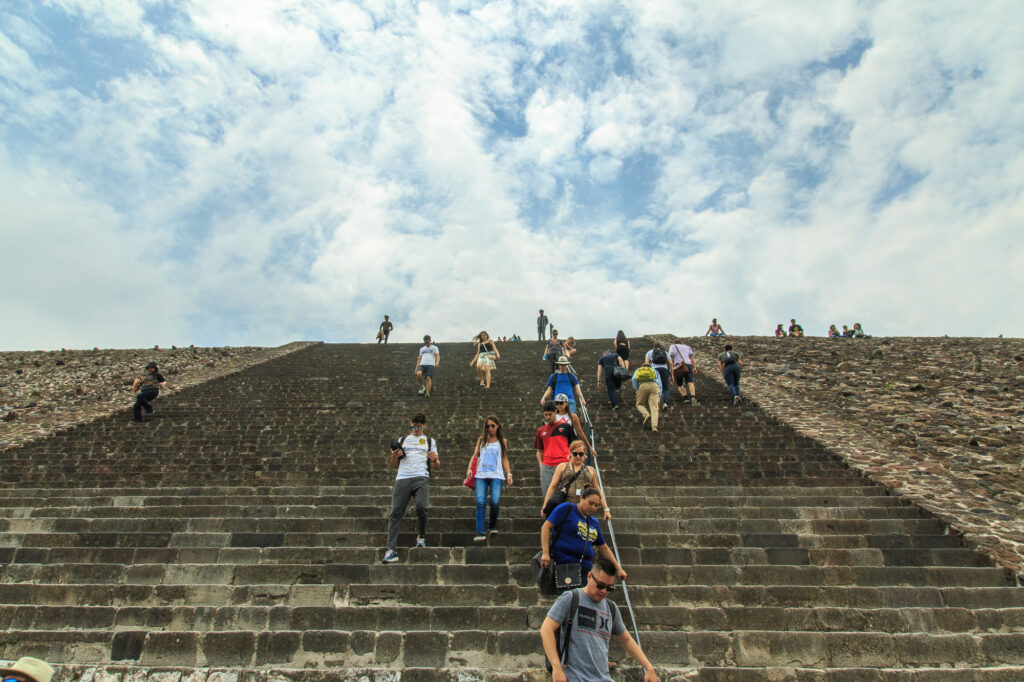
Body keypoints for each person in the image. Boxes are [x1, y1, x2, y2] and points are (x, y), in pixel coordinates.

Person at [540, 557, 658, 682]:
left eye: (609, 588)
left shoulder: (611, 608)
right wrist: (556, 667)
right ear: (589, 576)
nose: (603, 591)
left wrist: (649, 667)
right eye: (600, 585)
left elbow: (626, 639)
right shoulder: (570, 598)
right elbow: (546, 629)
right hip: (574, 677)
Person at [382, 413, 440, 563]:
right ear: (411, 424)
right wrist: (395, 455)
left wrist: (435, 459)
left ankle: (421, 536)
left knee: (422, 507)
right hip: (403, 478)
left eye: (419, 426)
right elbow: (394, 464)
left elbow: (437, 465)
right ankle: (390, 549)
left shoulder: (429, 441)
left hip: (421, 477)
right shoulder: (402, 440)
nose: (416, 429)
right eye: (414, 426)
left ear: (424, 426)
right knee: (395, 512)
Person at [539, 488, 627, 585]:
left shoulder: (593, 522)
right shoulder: (567, 508)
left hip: (586, 568)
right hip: (566, 565)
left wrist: (618, 569)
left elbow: (603, 547)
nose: (593, 507)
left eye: (596, 505)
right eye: (590, 503)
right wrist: (545, 553)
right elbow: (546, 527)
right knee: (571, 598)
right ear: (581, 498)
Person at [466, 415, 513, 541]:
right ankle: (480, 532)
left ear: (498, 426)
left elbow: (504, 458)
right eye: (488, 426)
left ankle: (492, 526)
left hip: (496, 475)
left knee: (495, 502)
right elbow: (475, 455)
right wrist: (470, 468)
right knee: (480, 502)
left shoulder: (503, 441)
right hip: (481, 475)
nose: (490, 428)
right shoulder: (482, 440)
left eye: (492, 425)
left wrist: (509, 474)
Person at [541, 441, 611, 521]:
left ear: (584, 454)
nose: (578, 456)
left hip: (584, 509)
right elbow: (553, 486)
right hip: (566, 507)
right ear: (570, 453)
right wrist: (545, 505)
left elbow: (598, 490)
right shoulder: (562, 467)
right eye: (575, 454)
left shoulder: (591, 470)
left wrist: (606, 509)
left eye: (581, 454)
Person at [535, 402, 577, 494]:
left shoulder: (566, 427)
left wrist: (572, 463)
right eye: (546, 415)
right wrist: (541, 465)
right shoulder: (540, 431)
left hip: (564, 464)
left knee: (569, 494)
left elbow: (575, 446)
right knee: (547, 495)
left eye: (550, 414)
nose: (548, 417)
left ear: (555, 412)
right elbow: (539, 451)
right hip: (547, 466)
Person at [552, 394, 596, 459]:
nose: (559, 405)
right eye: (557, 403)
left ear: (566, 403)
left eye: (561, 403)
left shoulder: (573, 416)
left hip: (570, 444)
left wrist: (590, 447)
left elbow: (580, 432)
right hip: (558, 445)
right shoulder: (554, 417)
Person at [631, 364, 662, 432]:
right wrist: (659, 394)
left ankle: (646, 414)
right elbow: (660, 383)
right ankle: (654, 426)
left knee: (639, 404)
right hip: (654, 386)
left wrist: (637, 389)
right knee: (654, 407)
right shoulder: (654, 371)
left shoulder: (638, 370)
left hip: (643, 386)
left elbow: (634, 379)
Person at [668, 338, 698, 405]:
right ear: (681, 343)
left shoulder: (673, 346)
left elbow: (671, 358)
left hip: (678, 366)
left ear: (675, 343)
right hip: (688, 365)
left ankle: (686, 398)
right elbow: (692, 358)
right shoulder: (687, 347)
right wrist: (694, 367)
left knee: (679, 384)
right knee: (690, 382)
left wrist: (671, 370)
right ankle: (693, 396)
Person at [644, 343, 673, 410]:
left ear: (653, 347)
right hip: (664, 370)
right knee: (665, 388)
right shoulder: (665, 352)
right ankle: (665, 403)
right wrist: (672, 375)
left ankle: (656, 403)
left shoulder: (649, 352)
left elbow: (646, 363)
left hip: (654, 370)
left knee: (655, 386)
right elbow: (670, 363)